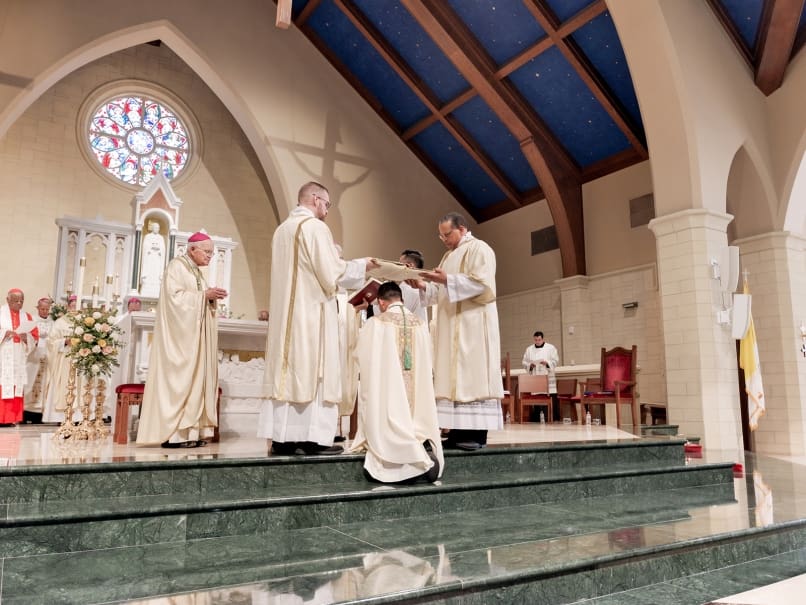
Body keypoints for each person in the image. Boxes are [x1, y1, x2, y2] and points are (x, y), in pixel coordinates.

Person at [258, 181, 377, 456]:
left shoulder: (282, 231)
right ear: (315, 199)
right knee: (313, 371)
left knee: (288, 375)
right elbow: (331, 272)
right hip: (310, 315)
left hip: (286, 318)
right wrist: (363, 265)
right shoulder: (315, 228)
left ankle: (283, 440)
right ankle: (310, 440)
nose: (327, 210)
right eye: (327, 204)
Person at [414, 212, 503, 451]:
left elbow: (483, 285)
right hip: (452, 327)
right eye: (440, 235)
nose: (443, 239)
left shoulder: (479, 249)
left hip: (472, 327)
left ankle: (475, 434)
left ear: (462, 229)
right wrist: (424, 285)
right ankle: (456, 431)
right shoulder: (447, 257)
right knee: (454, 379)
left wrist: (448, 280)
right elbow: (440, 293)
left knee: (471, 377)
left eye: (447, 234)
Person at [136, 231, 228, 448]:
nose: (209, 257)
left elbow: (197, 297)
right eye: (207, 252)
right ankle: (174, 434)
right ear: (191, 249)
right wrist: (204, 296)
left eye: (212, 253)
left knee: (196, 381)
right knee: (180, 381)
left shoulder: (197, 271)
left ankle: (191, 434)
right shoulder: (176, 267)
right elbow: (174, 300)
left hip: (195, 339)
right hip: (180, 340)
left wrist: (210, 298)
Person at [350, 282, 443, 483]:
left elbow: (360, 355)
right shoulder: (420, 324)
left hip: (389, 398)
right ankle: (420, 445)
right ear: (400, 299)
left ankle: (406, 459)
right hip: (417, 402)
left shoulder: (376, 323)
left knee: (386, 420)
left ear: (381, 303)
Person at [0, 289, 39, 425]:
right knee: (3, 384)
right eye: (15, 301)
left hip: (19, 355)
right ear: (7, 300)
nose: (19, 303)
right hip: (3, 354)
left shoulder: (27, 316)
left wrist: (26, 337)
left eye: (21, 301)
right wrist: (4, 333)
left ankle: (12, 419)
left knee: (16, 385)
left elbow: (34, 336)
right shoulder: (1, 313)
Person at [24, 297, 54, 421]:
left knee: (44, 383)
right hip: (34, 356)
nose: (45, 311)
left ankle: (40, 412)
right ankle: (26, 411)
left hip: (47, 357)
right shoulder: (32, 321)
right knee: (31, 382)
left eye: (47, 309)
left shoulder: (53, 323)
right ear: (37, 308)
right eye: (42, 309)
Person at [522, 330, 560, 420]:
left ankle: (551, 418)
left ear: (542, 339)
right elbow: (524, 362)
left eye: (539, 340)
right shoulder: (529, 349)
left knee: (550, 397)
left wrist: (547, 363)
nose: (537, 342)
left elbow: (555, 360)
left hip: (547, 376)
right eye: (535, 340)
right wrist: (530, 365)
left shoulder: (551, 348)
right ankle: (537, 418)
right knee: (537, 397)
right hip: (536, 377)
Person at [139, 221, 166, 298]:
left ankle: (156, 287)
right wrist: (150, 248)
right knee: (149, 271)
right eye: (155, 227)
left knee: (156, 272)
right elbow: (145, 246)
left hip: (157, 258)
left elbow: (163, 248)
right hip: (150, 257)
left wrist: (159, 249)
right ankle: (146, 286)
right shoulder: (148, 236)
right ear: (152, 228)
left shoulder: (161, 237)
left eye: (158, 228)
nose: (157, 229)